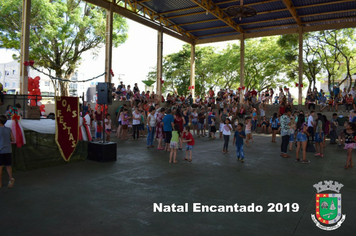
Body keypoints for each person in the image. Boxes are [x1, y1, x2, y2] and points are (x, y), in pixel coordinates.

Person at [0, 115, 15, 188]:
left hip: (1, 150)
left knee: (0, 167)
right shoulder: (9, 129)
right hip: (8, 150)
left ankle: (0, 183)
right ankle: (10, 179)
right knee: (8, 166)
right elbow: (13, 139)